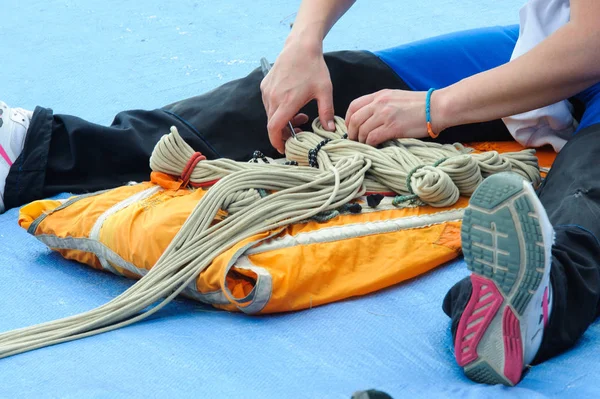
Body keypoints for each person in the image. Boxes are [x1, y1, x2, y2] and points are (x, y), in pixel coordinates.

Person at [1, 0, 599, 387]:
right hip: (562, 36)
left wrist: (432, 109)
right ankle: (34, 150)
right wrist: (302, 43)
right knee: (322, 88)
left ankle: (532, 300)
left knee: (588, 182)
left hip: (589, 45)